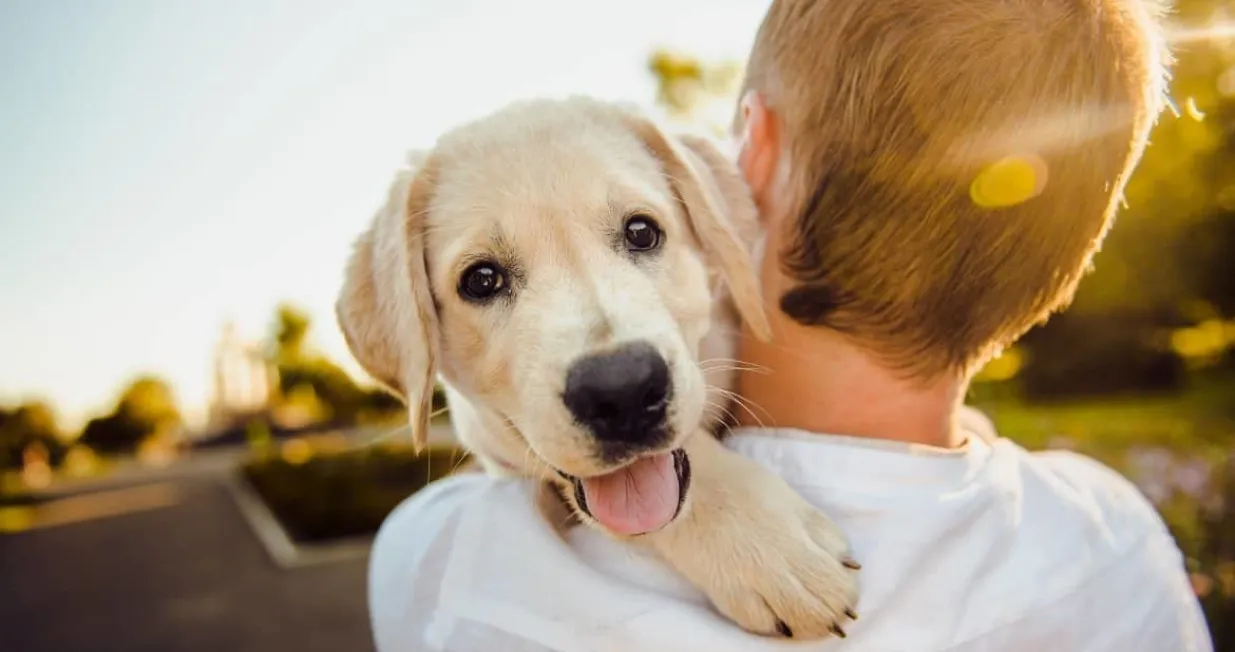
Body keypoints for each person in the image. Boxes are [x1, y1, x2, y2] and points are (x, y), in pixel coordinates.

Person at [367, 0, 1214, 649]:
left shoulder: (448, 566)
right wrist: (702, 500)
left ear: (749, 158)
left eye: (638, 234)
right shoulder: (1117, 543)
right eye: (485, 279)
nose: (609, 354)